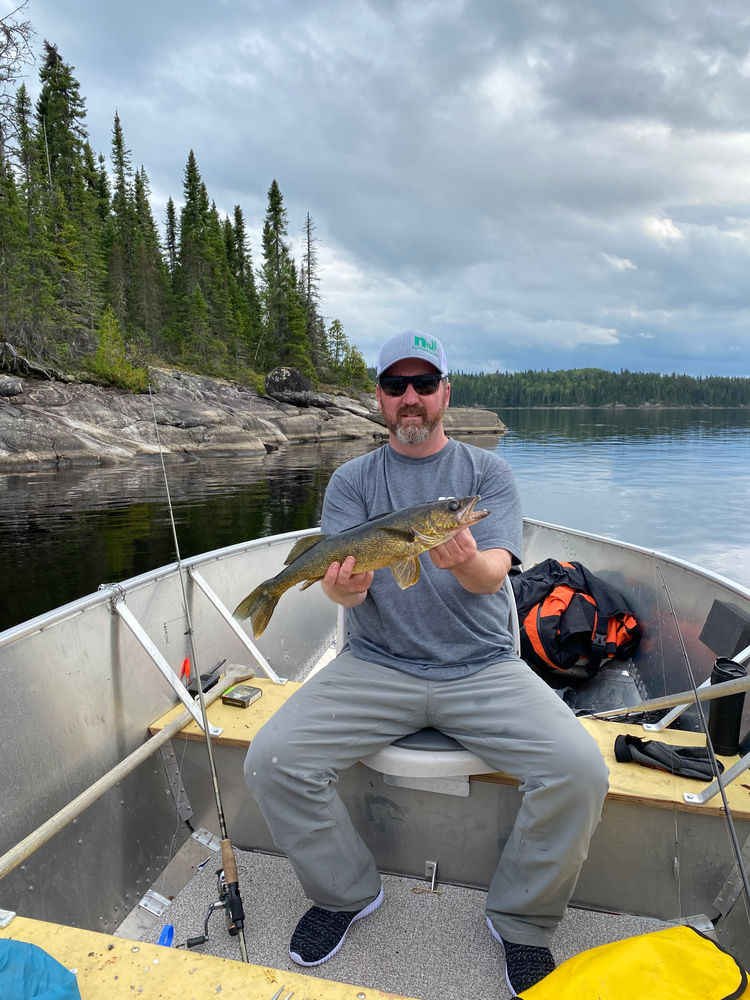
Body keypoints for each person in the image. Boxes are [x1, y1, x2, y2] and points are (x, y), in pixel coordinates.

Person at [244, 330, 609, 996]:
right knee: (272, 759)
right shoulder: (353, 480)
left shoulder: (485, 474)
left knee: (580, 770)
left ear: (445, 392)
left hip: (481, 667)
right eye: (394, 386)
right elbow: (333, 576)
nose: (409, 399)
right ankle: (344, 894)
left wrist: (466, 558)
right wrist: (338, 587)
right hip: (377, 665)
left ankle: (523, 924)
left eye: (423, 384)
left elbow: (493, 572)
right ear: (380, 398)